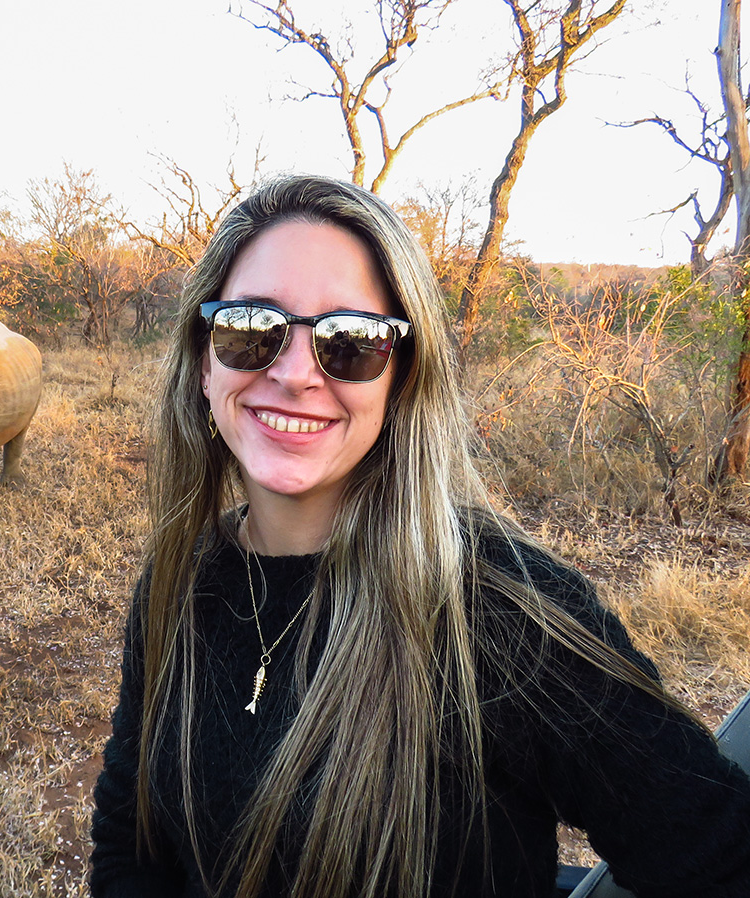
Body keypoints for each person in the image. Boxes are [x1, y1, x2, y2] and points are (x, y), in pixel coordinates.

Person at [89, 174, 750, 898]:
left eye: (352, 342)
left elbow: (715, 856)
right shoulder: (180, 580)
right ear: (204, 361)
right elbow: (132, 838)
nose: (296, 373)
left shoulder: (504, 610)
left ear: (402, 377)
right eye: (251, 328)